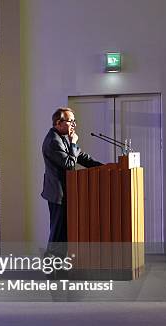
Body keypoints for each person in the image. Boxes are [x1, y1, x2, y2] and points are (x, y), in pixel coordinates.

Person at [41, 107, 101, 256]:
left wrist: (105, 168)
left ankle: (58, 268)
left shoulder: (62, 137)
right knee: (58, 235)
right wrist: (73, 143)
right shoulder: (53, 141)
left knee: (63, 235)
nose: (74, 125)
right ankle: (52, 271)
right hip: (58, 195)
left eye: (74, 121)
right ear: (58, 123)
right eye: (70, 121)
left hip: (65, 193)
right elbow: (69, 164)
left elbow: (81, 157)